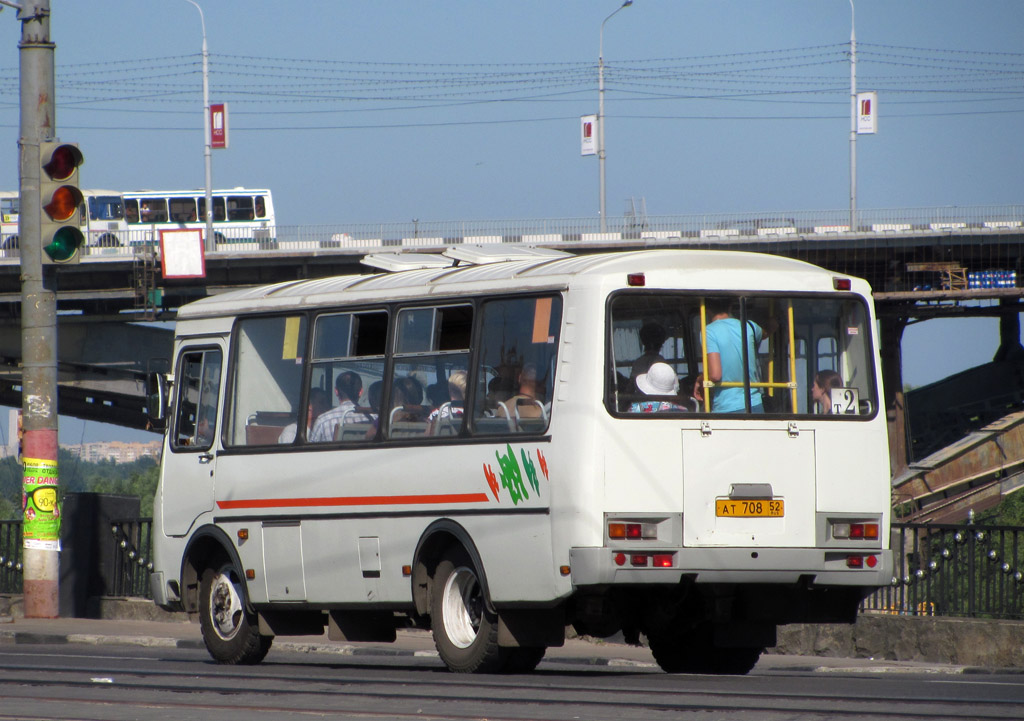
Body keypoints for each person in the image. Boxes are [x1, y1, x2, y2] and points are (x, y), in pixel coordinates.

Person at [705, 300, 764, 413]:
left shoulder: (709, 331)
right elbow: (765, 332)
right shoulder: (749, 326)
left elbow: (715, 375)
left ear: (707, 310)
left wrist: (700, 379)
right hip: (755, 404)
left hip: (727, 407)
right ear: (731, 306)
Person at [309, 371, 366, 442]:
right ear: (361, 392)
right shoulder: (374, 418)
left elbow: (312, 449)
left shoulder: (323, 420)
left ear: (336, 391)